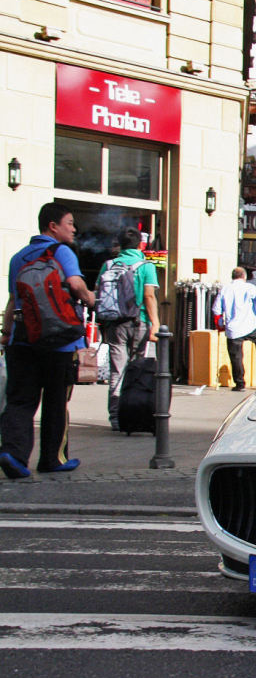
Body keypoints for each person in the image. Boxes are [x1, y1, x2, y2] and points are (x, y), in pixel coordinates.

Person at [0, 202, 96, 477]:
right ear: (53, 226)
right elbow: (77, 285)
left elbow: (13, 301)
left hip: (23, 340)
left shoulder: (18, 257)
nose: (74, 228)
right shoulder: (62, 252)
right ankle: (52, 459)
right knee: (56, 401)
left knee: (19, 401)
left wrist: (7, 335)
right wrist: (91, 298)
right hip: (61, 342)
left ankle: (12, 453)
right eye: (69, 223)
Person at [100, 227, 159, 431]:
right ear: (140, 245)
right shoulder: (145, 266)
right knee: (136, 370)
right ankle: (134, 413)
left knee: (117, 370)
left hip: (114, 323)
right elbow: (149, 296)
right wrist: (155, 324)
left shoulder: (108, 265)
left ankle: (116, 416)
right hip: (139, 321)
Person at [212, 266, 256, 392]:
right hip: (250, 324)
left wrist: (221, 322)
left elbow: (216, 309)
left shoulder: (225, 289)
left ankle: (240, 383)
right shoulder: (250, 287)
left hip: (233, 329)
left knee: (236, 357)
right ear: (244, 276)